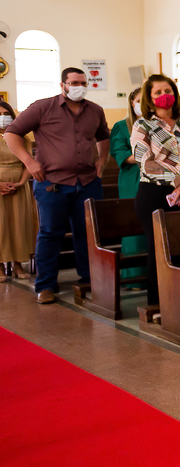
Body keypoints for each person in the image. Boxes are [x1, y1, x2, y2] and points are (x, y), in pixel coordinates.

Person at [3, 67, 110, 304]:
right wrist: (29, 161)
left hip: (88, 182)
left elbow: (104, 136)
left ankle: (88, 280)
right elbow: (12, 133)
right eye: (74, 82)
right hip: (52, 183)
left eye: (83, 82)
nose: (79, 86)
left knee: (88, 234)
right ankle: (46, 285)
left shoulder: (95, 110)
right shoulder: (42, 107)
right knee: (51, 234)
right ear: (63, 85)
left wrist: (102, 160)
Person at [131, 74, 180, 309]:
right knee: (160, 250)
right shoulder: (143, 125)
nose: (165, 96)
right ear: (150, 99)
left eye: (168, 91)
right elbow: (145, 161)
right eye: (158, 93)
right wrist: (178, 182)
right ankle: (159, 305)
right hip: (154, 193)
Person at [108, 86, 148, 281]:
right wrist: (150, 156)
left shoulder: (159, 124)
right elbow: (121, 153)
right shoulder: (122, 126)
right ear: (132, 102)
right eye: (140, 100)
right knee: (135, 227)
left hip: (157, 178)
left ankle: (156, 275)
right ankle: (134, 277)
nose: (143, 104)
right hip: (133, 179)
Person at [0, 100, 35, 283]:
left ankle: (18, 264)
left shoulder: (21, 137)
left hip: (18, 186)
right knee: (1, 226)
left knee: (18, 225)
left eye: (6, 115)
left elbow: (28, 162)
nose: (3, 119)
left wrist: (21, 182)